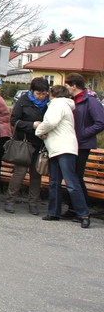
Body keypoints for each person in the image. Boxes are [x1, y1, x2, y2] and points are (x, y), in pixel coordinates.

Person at [36, 85, 91, 228]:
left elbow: (50, 122)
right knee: (56, 182)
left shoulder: (57, 104)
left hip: (62, 148)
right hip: (58, 148)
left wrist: (39, 130)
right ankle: (55, 212)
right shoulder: (65, 105)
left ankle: (83, 214)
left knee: (70, 183)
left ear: (52, 94)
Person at [5, 78, 49, 215]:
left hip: (40, 144)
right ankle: (10, 200)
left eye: (44, 93)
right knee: (19, 173)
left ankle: (33, 203)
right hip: (24, 143)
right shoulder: (23, 102)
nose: (41, 96)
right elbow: (14, 121)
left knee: (36, 174)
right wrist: (32, 125)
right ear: (32, 91)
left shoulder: (50, 104)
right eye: (38, 93)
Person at [64, 73, 104, 211]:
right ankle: (72, 208)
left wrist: (82, 134)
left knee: (76, 177)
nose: (66, 88)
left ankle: (81, 208)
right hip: (71, 143)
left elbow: (100, 123)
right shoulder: (71, 99)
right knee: (71, 176)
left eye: (67, 86)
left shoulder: (90, 101)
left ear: (74, 86)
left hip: (82, 144)